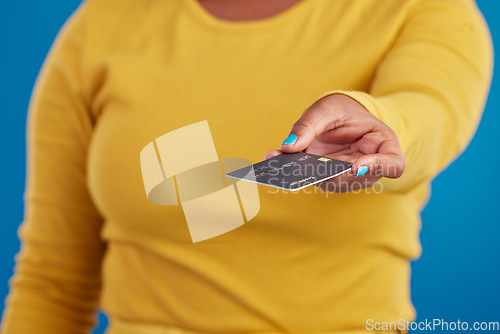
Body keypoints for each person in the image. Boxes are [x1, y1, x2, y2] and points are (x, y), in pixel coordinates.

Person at [1, 0, 493, 333]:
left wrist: (379, 127)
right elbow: (54, 281)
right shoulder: (104, 24)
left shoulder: (423, 10)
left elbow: (431, 113)